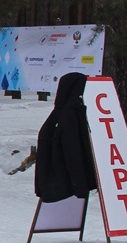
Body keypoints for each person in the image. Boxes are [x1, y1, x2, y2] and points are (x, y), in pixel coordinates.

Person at [35, 72, 96, 204]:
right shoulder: (69, 116)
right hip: (65, 186)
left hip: (56, 185)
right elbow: (73, 153)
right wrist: (81, 186)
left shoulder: (59, 114)